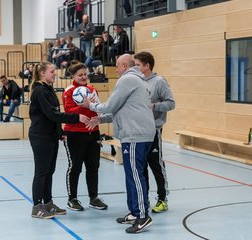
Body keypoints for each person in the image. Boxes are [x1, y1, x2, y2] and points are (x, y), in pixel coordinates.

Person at [82, 54, 156, 234]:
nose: (116, 70)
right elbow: (121, 108)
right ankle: (135, 212)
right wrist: (101, 119)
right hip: (138, 133)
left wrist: (91, 106)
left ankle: (143, 216)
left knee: (135, 176)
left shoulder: (127, 79)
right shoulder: (138, 80)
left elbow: (110, 105)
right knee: (132, 174)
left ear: (124, 65)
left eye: (117, 66)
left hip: (135, 135)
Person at [29, 61, 89, 219]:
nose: (54, 74)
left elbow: (53, 116)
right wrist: (77, 117)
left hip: (50, 135)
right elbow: (51, 114)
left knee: (50, 171)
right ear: (42, 73)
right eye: (52, 71)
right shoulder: (39, 91)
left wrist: (60, 132)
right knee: (41, 172)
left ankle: (48, 203)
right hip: (40, 136)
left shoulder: (48, 89)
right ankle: (37, 206)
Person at [62, 61, 108, 211]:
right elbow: (68, 112)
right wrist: (83, 105)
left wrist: (96, 112)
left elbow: (99, 110)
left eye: (85, 74)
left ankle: (93, 197)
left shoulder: (92, 89)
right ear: (73, 76)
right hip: (74, 134)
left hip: (92, 132)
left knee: (93, 166)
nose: (83, 77)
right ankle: (72, 199)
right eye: (80, 75)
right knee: (75, 167)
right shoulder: (69, 91)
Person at [134, 51, 175, 213]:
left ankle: (162, 199)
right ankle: (144, 198)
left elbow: (171, 103)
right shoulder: (136, 81)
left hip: (154, 130)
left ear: (147, 66)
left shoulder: (159, 82)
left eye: (137, 65)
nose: (135, 68)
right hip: (138, 131)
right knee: (141, 167)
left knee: (156, 165)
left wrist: (155, 106)